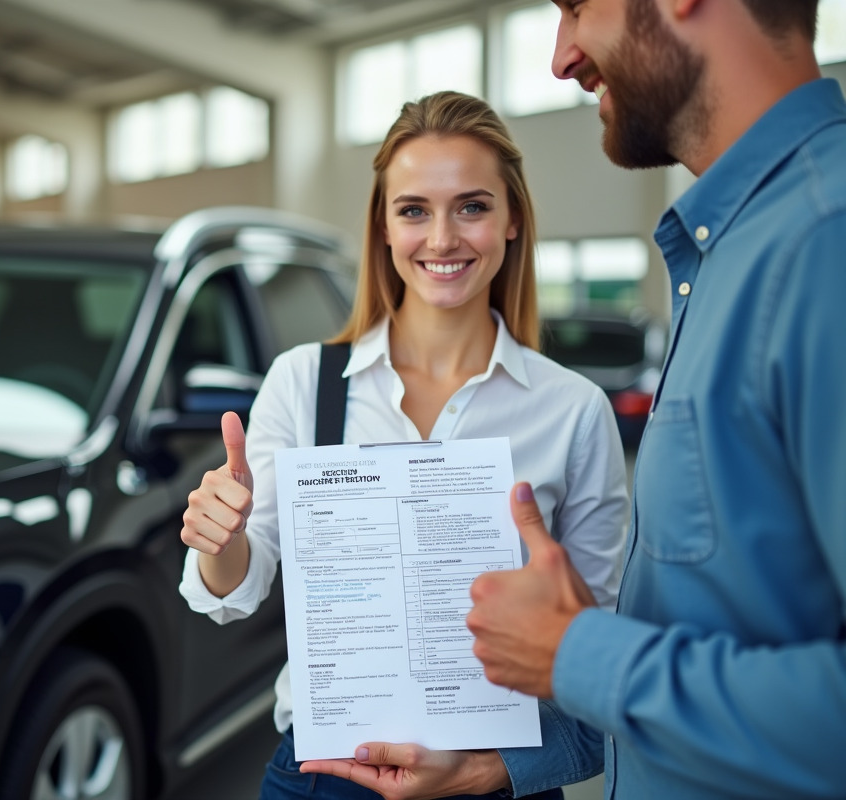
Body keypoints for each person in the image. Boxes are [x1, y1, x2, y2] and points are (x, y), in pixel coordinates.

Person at [179, 91, 629, 800]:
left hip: (496, 777)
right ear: (383, 229)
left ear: (512, 220)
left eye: (472, 207)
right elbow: (238, 585)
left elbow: (607, 658)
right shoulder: (303, 384)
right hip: (324, 777)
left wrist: (487, 770)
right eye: (414, 209)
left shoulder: (573, 412)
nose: (442, 238)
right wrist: (219, 538)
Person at [463, 1, 846, 798]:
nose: (562, 58)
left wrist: (575, 654)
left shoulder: (825, 243)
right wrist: (496, 762)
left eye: (576, 7)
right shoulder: (730, 250)